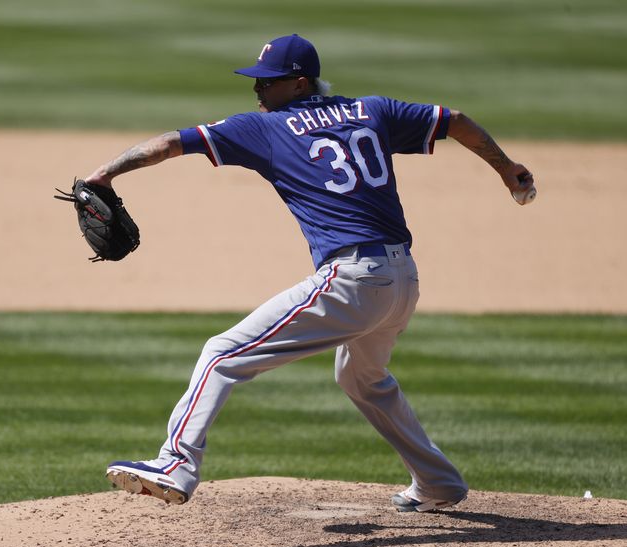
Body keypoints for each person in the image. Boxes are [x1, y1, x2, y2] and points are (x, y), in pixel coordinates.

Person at [91, 34, 535, 512]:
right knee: (362, 377)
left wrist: (105, 174)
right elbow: (453, 121)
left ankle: (175, 463)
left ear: (300, 84)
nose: (257, 91)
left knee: (222, 354)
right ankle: (438, 481)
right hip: (402, 278)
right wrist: (506, 169)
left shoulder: (266, 129)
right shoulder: (373, 109)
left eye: (267, 82)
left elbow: (173, 143)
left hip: (353, 279)